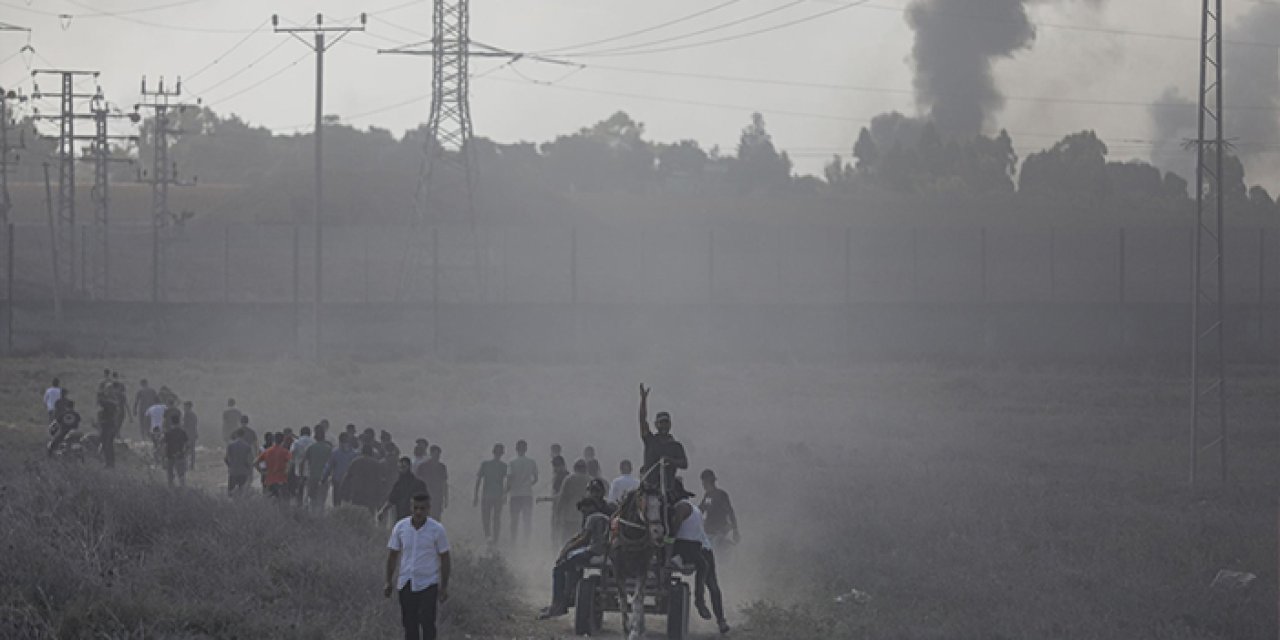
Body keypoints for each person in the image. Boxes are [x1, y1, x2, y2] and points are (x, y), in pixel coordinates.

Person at [538, 478, 614, 619]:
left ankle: (560, 603)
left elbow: (584, 538)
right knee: (572, 560)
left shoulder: (592, 511)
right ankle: (569, 596)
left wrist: (567, 549)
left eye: (595, 491)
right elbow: (583, 534)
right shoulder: (610, 508)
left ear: (601, 493)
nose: (593, 494)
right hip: (608, 551)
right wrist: (570, 544)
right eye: (591, 491)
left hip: (595, 550)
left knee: (560, 567)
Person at [385, 493, 450, 640]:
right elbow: (392, 555)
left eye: (422, 508)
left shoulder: (437, 529)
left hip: (428, 583)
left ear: (429, 509)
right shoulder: (400, 527)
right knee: (409, 625)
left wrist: (444, 586)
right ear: (411, 508)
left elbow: (445, 559)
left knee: (427, 622)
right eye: (416, 508)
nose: (419, 512)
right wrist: (388, 581)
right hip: (406, 582)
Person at [669, 479, 730, 634]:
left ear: (674, 494)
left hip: (699, 547)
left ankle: (702, 603)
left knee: (710, 582)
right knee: (712, 584)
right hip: (700, 546)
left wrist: (667, 544)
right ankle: (721, 621)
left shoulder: (681, 507)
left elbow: (674, 530)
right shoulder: (692, 507)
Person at [638, 384, 688, 493]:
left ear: (670, 425)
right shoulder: (650, 440)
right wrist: (643, 401)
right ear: (656, 425)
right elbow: (642, 420)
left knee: (684, 507)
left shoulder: (676, 446)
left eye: (666, 423)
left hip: (669, 490)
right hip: (650, 489)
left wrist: (670, 460)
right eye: (661, 423)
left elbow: (684, 464)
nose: (664, 426)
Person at [473, 444, 507, 544]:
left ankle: (489, 537)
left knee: (487, 518)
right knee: (495, 518)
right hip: (495, 496)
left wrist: (476, 496)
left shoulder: (486, 464)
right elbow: (509, 482)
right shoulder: (503, 466)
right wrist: (505, 494)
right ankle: (493, 538)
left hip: (489, 496)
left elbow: (478, 480)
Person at [552, 459, 592, 544]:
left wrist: (558, 515)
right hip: (584, 517)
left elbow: (562, 498)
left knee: (566, 540)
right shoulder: (590, 480)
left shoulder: (569, 479)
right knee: (581, 540)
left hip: (570, 516)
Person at [506, 439, 538, 545]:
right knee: (527, 520)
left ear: (516, 449)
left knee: (514, 520)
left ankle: (513, 541)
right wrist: (529, 484)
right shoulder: (531, 462)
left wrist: (505, 491)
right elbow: (536, 478)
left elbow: (509, 479)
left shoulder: (512, 462)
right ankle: (526, 542)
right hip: (527, 494)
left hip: (515, 495)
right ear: (526, 449)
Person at [698, 469, 740, 550]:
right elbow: (701, 510)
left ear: (707, 482)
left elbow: (730, 512)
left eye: (703, 482)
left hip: (719, 531)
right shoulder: (707, 495)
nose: (703, 485)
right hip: (708, 531)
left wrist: (735, 530)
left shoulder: (721, 495)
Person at [381, 457, 429, 522]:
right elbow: (391, 499)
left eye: (403, 467)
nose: (401, 469)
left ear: (409, 467)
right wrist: (382, 511)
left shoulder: (419, 484)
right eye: (400, 467)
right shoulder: (398, 484)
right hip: (402, 518)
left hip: (416, 517)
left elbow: (426, 501)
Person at [345, 444, 386, 515]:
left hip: (357, 493)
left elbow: (348, 477)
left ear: (362, 451)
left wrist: (345, 492)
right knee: (369, 515)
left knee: (356, 514)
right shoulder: (376, 464)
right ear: (371, 453)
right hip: (370, 494)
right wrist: (379, 496)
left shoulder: (355, 461)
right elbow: (379, 481)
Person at [322, 433, 359, 507]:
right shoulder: (354, 454)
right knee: (347, 503)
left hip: (338, 481)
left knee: (337, 503)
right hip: (349, 482)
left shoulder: (335, 452)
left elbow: (329, 467)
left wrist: (324, 478)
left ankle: (337, 516)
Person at [303, 427, 334, 509]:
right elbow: (331, 464)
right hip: (324, 478)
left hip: (312, 476)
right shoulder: (329, 449)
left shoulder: (311, 448)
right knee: (321, 501)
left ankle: (312, 518)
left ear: (315, 437)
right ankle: (320, 518)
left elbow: (305, 462)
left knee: (312, 500)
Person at [254, 432, 292, 500]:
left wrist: (262, 472)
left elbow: (255, 463)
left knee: (269, 500)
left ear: (274, 440)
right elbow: (290, 463)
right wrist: (286, 472)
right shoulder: (285, 452)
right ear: (283, 440)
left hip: (269, 480)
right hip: (281, 480)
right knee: (282, 500)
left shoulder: (267, 451)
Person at [416, 445, 449, 521]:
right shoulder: (422, 466)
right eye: (435, 454)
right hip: (425, 496)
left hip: (438, 497)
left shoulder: (442, 467)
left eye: (438, 455)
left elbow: (444, 483)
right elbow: (417, 482)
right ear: (431, 454)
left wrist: (446, 497)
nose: (437, 457)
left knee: (436, 518)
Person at [289, 426, 316, 505]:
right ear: (310, 433)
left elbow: (291, 455)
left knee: (299, 491)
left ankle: (299, 507)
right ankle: (307, 507)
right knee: (308, 492)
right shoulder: (314, 442)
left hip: (298, 471)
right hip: (310, 471)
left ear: (301, 433)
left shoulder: (296, 442)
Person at [161, 414, 190, 487]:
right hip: (180, 456)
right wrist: (185, 454)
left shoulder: (168, 433)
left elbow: (164, 445)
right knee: (181, 477)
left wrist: (163, 458)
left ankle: (171, 494)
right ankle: (183, 493)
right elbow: (187, 445)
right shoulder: (183, 432)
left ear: (171, 423)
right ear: (179, 422)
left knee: (170, 478)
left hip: (170, 456)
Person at [225, 428, 255, 496]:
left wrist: (230, 466)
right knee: (241, 491)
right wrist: (249, 469)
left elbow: (226, 458)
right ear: (243, 435)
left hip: (233, 471)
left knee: (230, 492)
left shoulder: (230, 445)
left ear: (236, 435)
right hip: (243, 471)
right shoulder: (247, 446)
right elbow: (249, 460)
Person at [181, 400, 199, 468]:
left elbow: (185, 425)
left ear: (188, 406)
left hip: (187, 434)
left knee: (186, 450)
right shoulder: (193, 414)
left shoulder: (186, 414)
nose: (184, 407)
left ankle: (186, 464)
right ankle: (192, 464)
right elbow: (195, 425)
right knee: (192, 450)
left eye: (185, 406)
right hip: (193, 434)